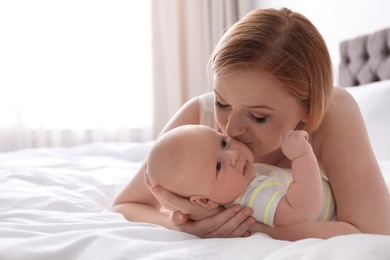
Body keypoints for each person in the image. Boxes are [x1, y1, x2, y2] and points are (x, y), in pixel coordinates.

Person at [113, 7, 390, 240]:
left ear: (308, 108)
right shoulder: (198, 117)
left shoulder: (333, 111)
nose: (230, 129)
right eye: (222, 102)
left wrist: (255, 227)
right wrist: (189, 226)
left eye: (258, 116)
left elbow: (375, 230)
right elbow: (127, 204)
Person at [145, 125, 336, 227]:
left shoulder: (245, 180)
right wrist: (302, 157)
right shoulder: (252, 198)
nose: (233, 155)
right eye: (218, 167)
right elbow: (303, 210)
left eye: (223, 144)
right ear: (204, 201)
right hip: (337, 214)